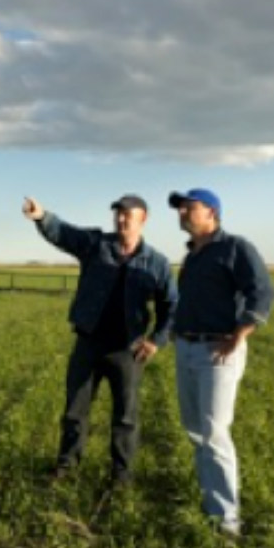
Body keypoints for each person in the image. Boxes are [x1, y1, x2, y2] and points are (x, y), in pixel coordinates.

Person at [22, 194, 177, 486]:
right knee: (75, 410)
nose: (120, 220)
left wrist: (156, 340)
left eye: (127, 215)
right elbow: (64, 234)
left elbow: (172, 306)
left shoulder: (157, 263)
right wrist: (42, 216)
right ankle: (67, 465)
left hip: (127, 350)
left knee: (126, 417)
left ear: (142, 220)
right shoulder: (96, 245)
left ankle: (121, 475)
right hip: (89, 343)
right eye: (117, 214)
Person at [168, 188, 274, 538]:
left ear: (212, 212)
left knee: (214, 433)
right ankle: (209, 497)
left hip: (218, 351)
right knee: (195, 429)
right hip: (186, 348)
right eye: (180, 208)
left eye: (189, 207)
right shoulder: (193, 256)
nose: (182, 212)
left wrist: (240, 333)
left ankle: (226, 520)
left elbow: (262, 291)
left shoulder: (235, 247)